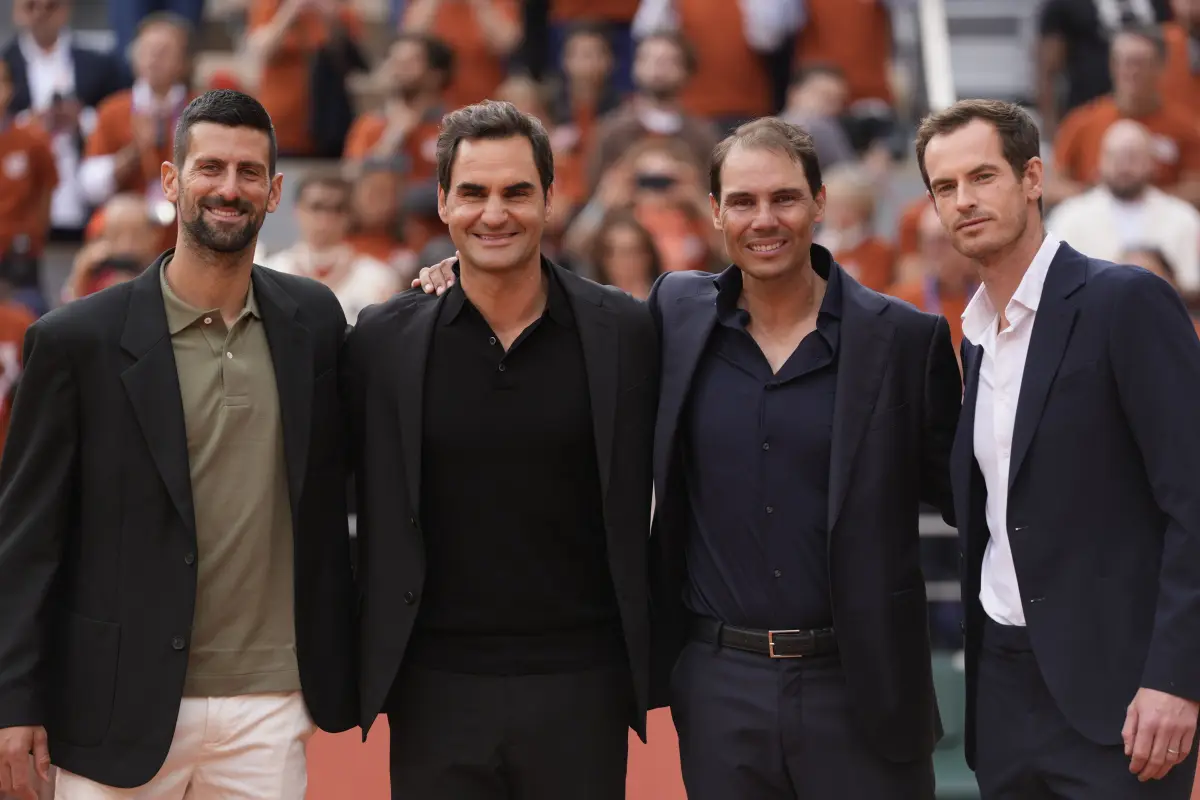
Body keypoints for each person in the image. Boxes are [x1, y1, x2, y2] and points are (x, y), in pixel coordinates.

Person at [415, 116, 962, 799]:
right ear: (714, 212)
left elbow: (973, 499)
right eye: (742, 201)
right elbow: (557, 306)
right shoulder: (676, 312)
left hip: (862, 686)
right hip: (718, 685)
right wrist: (461, 272)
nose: (764, 220)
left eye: (784, 198)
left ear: (819, 203)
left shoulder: (906, 340)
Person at [0, 88, 358, 799]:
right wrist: (14, 702)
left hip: (271, 701)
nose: (230, 189)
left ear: (275, 191)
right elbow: (26, 540)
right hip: (112, 699)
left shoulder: (312, 320)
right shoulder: (76, 341)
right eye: (211, 168)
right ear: (171, 180)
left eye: (250, 173)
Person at [343, 100, 657, 800]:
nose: (495, 213)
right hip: (434, 688)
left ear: (550, 198)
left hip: (585, 684)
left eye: (517, 191)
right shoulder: (382, 341)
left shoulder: (626, 333)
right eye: (474, 193)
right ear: (445, 205)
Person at [917, 98, 1200, 799]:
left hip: (1122, 703)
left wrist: (1175, 678)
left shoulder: (1124, 303)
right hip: (1005, 694)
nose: (964, 201)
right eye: (945, 187)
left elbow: (1194, 501)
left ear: (1033, 177)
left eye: (982, 176)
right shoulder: (977, 337)